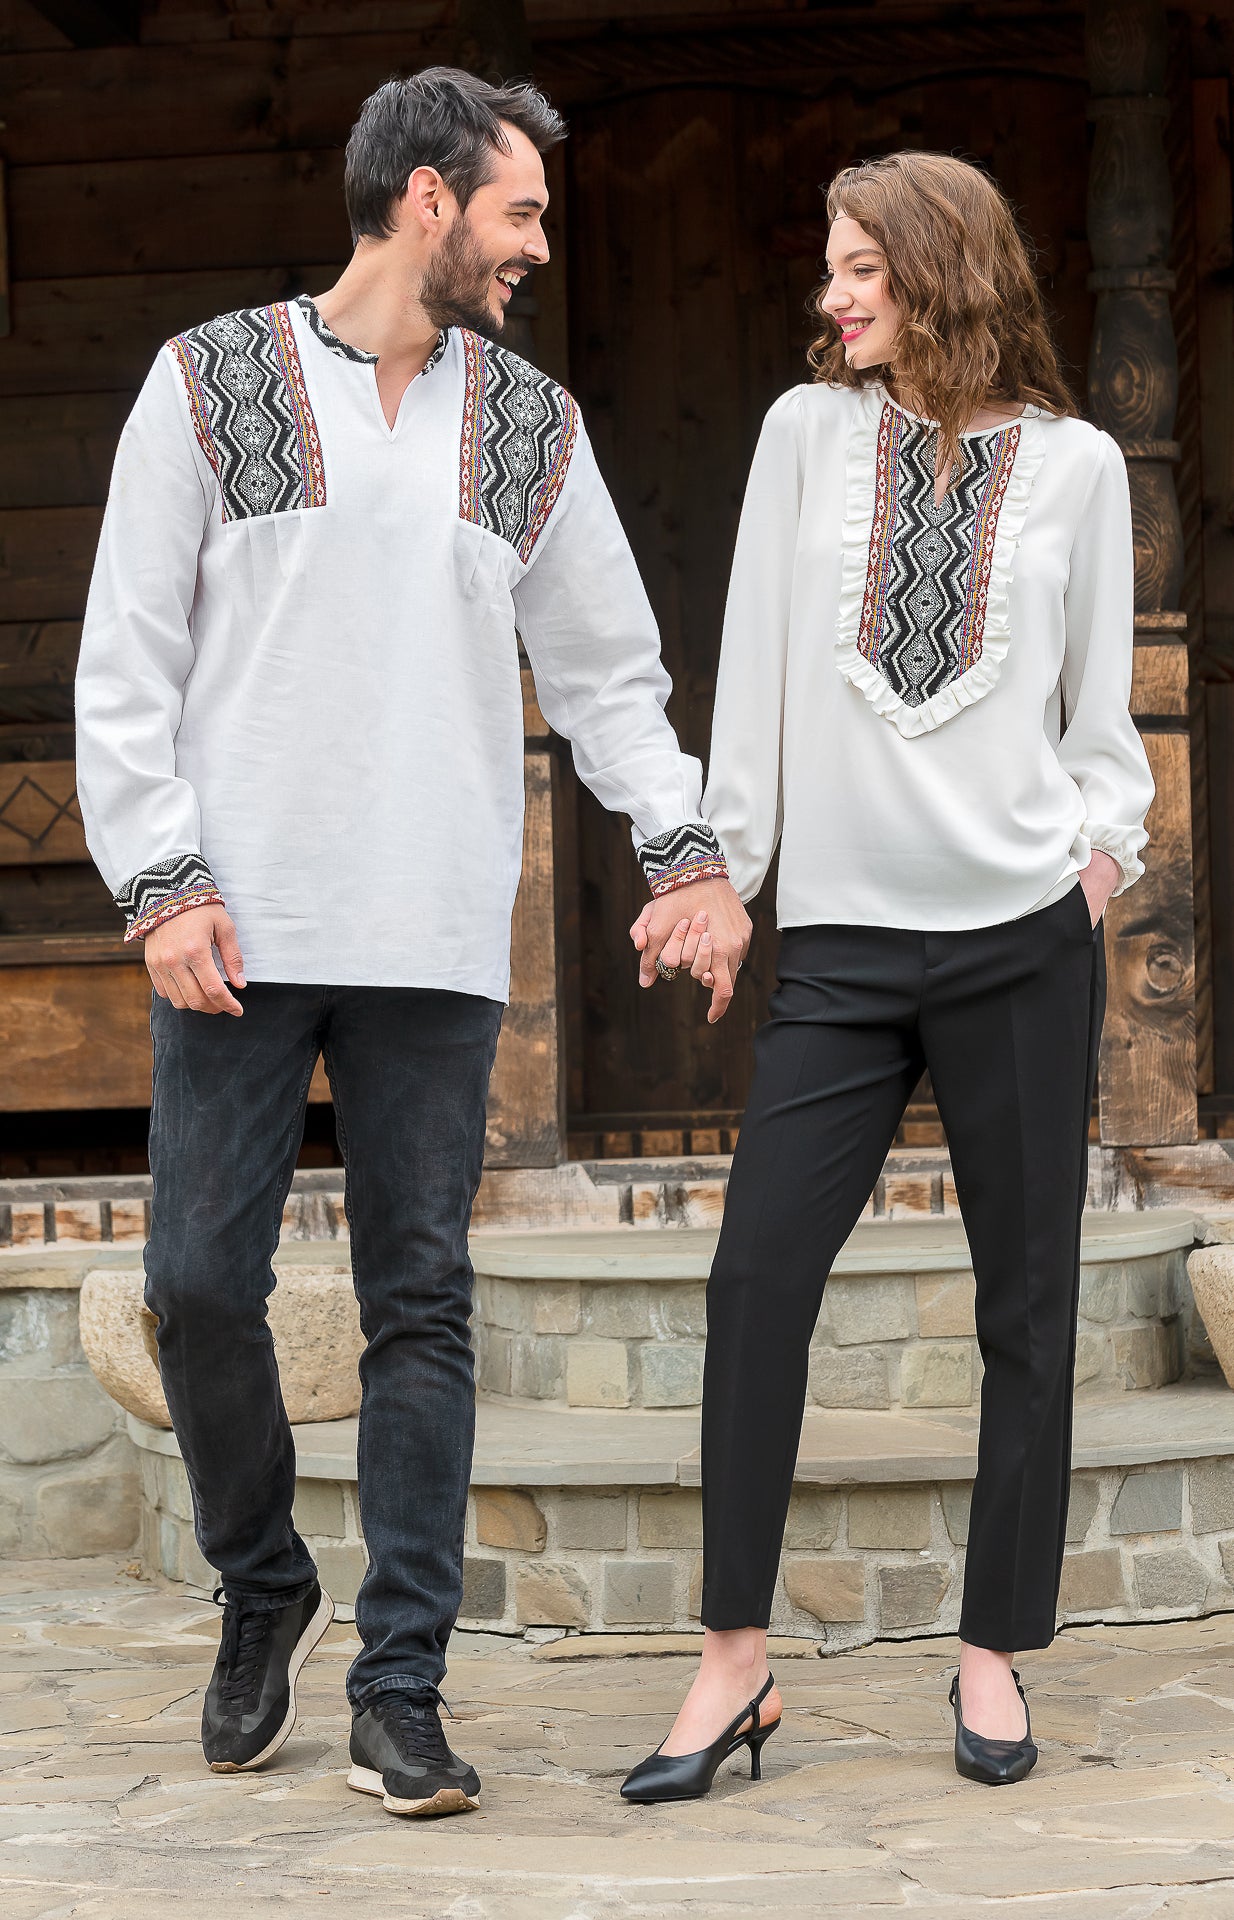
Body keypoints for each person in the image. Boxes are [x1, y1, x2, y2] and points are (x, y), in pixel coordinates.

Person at [75, 66, 747, 1817]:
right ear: (429, 199)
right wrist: (161, 879)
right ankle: (262, 1582)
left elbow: (607, 672)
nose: (539, 247)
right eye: (521, 212)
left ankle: (401, 1689)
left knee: (419, 1305)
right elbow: (127, 654)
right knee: (195, 1288)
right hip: (232, 922)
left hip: (432, 929)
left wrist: (681, 848)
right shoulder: (210, 381)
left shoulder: (528, 424)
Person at [622, 150, 1154, 1802]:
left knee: (1026, 1307)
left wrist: (1090, 868)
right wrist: (724, 875)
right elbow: (753, 681)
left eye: (863, 268)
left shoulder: (1076, 469)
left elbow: (1098, 726)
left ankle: (992, 1649)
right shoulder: (802, 436)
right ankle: (733, 1662)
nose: (833, 295)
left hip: (1019, 942)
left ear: (944, 271)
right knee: (754, 1284)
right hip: (843, 952)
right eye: (831, 269)